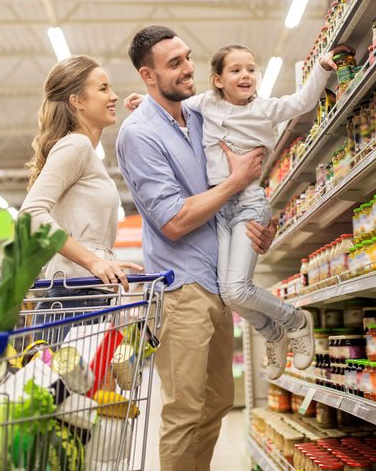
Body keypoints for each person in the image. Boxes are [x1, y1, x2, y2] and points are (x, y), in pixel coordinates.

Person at [124, 42, 348, 380]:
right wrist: (142, 102)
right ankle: (271, 332)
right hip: (219, 209)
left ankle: (294, 321)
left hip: (248, 203)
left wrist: (322, 68)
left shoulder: (264, 109)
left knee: (235, 289)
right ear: (217, 79)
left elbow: (300, 101)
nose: (246, 75)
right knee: (228, 292)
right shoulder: (205, 104)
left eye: (250, 69)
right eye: (235, 70)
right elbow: (171, 105)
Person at [116, 26, 277, 471]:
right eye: (174, 64)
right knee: (184, 411)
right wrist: (236, 181)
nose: (189, 69)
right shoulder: (139, 135)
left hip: (221, 279)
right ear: (148, 76)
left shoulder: (202, 114)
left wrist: (260, 222)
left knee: (218, 402)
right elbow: (173, 221)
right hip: (182, 289)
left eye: (187, 58)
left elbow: (241, 178)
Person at [19, 55, 143, 316]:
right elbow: (31, 215)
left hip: (87, 292)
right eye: (103, 88)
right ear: (76, 101)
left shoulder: (84, 152)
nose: (114, 96)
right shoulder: (76, 145)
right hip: (78, 294)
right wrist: (94, 261)